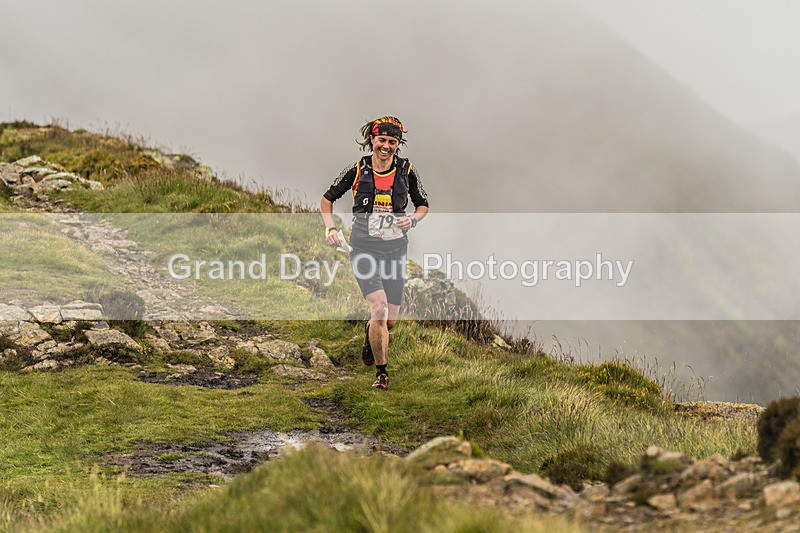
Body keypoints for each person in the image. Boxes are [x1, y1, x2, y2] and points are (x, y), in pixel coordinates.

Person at [321, 116, 429, 390]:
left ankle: (371, 331)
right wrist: (331, 229)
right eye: (382, 140)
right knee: (379, 308)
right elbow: (327, 199)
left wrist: (413, 220)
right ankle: (382, 374)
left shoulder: (407, 170)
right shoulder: (358, 169)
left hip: (395, 250)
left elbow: (423, 204)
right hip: (364, 249)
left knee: (388, 321)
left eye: (392, 142)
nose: (386, 147)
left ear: (398, 144)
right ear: (372, 140)